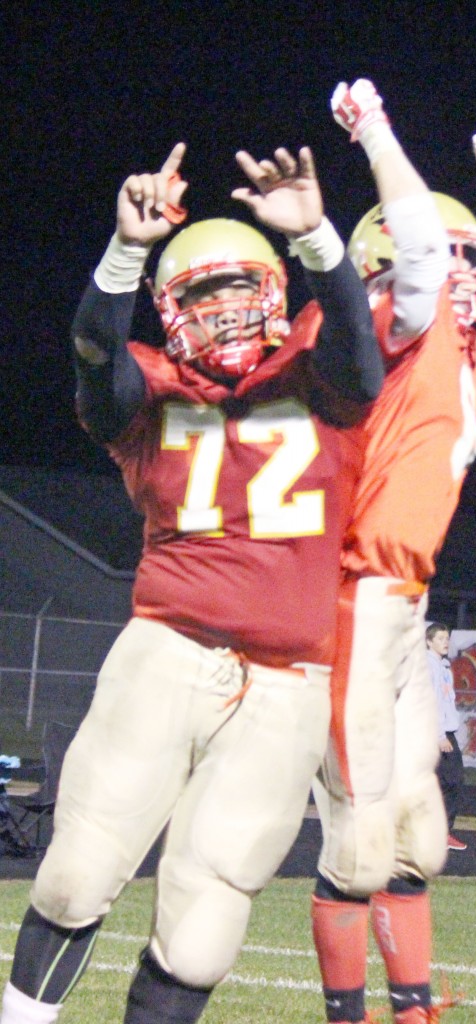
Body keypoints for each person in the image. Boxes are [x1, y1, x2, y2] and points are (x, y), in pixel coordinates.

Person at [0, 142, 383, 1024]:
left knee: (208, 910)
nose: (225, 315)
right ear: (170, 311)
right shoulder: (149, 394)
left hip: (286, 686)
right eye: (203, 298)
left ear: (276, 296)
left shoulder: (319, 379)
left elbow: (360, 348)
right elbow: (94, 350)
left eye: (241, 292)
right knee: (77, 871)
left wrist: (319, 234)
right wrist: (125, 251)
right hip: (169, 653)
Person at [311, 80, 476, 1024]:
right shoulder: (383, 337)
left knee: (419, 835)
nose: (458, 268)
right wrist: (376, 133)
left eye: (473, 255)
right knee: (362, 842)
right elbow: (414, 255)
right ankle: (348, 1014)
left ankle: (413, 1011)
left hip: (402, 611)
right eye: (444, 254)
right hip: (343, 604)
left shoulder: (454, 359)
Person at [425, 623, 465, 851]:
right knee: (453, 781)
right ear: (429, 641)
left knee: (441, 782)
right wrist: (440, 735)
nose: (446, 642)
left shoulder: (443, 666)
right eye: (440, 638)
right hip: (435, 732)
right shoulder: (429, 666)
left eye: (447, 638)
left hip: (443, 731)